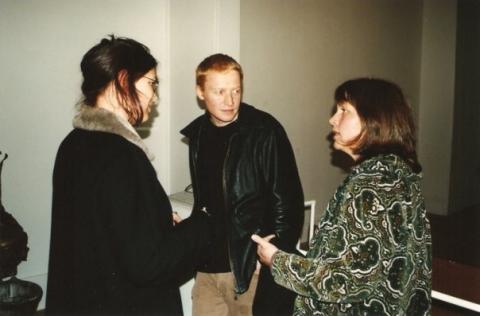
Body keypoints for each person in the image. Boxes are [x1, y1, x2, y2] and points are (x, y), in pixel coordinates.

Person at [46, 35, 213, 315]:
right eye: (151, 83)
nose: (155, 97)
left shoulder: (72, 144)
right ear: (123, 81)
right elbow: (149, 264)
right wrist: (201, 223)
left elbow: (103, 230)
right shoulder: (121, 155)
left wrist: (156, 221)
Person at [253, 78, 432, 315]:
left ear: (374, 120)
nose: (332, 119)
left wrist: (276, 260)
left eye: (344, 110)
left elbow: (347, 279)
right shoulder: (398, 173)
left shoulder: (373, 184)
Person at [180, 54, 304, 316]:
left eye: (236, 90)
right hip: (206, 266)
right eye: (220, 91)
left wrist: (273, 257)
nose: (230, 100)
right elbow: (208, 200)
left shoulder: (265, 131)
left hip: (248, 269)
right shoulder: (198, 134)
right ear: (200, 92)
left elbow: (288, 203)